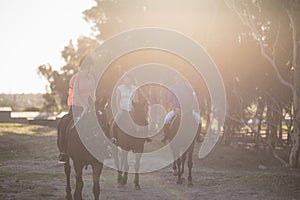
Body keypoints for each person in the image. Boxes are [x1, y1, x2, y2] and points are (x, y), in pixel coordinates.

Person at [58, 56, 96, 163]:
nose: (90, 69)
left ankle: (102, 148)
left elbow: (93, 93)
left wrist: (93, 104)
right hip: (77, 105)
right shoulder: (76, 78)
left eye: (90, 67)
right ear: (84, 67)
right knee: (65, 124)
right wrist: (84, 106)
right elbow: (76, 94)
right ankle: (63, 152)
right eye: (89, 67)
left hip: (89, 105)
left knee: (99, 121)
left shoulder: (91, 78)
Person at [162, 76, 201, 142]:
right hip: (177, 109)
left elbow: (192, 98)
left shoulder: (187, 87)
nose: (178, 79)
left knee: (199, 120)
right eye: (177, 77)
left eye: (180, 77)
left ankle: (198, 137)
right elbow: (169, 101)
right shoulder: (172, 88)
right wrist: (174, 110)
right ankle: (166, 136)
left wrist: (190, 108)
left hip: (188, 110)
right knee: (166, 119)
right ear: (175, 78)